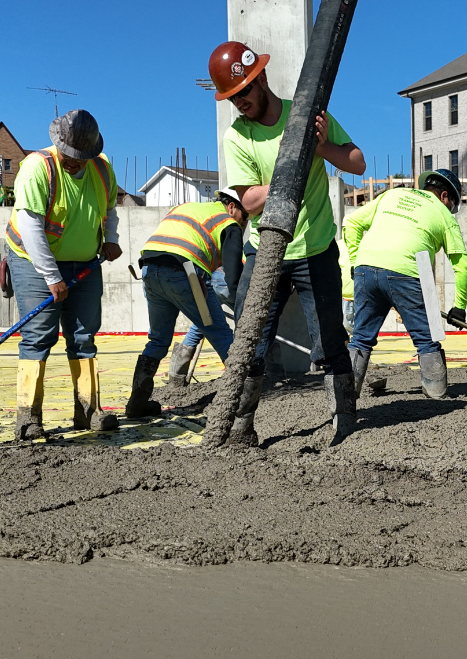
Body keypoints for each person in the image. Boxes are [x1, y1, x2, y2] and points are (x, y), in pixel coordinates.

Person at [208, 40, 366, 445]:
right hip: (265, 252)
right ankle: (241, 428)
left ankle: (345, 425)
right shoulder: (237, 137)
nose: (239, 102)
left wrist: (318, 147)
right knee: (251, 340)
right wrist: (289, 160)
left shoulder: (306, 114)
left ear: (260, 78)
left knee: (331, 339)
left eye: (243, 92)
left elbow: (358, 163)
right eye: (231, 97)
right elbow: (247, 201)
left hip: (314, 249)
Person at [5, 109, 122, 440]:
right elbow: (30, 227)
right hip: (33, 261)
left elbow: (110, 209)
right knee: (39, 336)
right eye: (68, 156)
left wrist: (110, 240)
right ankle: (28, 418)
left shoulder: (101, 168)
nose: (73, 162)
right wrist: (51, 276)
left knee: (84, 336)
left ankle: (87, 411)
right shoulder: (37, 168)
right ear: (58, 144)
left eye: (80, 158)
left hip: (84, 265)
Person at [344, 169, 467, 401]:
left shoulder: (391, 195)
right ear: (444, 196)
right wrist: (459, 305)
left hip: (365, 268)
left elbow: (351, 222)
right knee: (425, 339)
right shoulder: (443, 213)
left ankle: (345, 398)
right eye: (452, 204)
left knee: (360, 338)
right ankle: (436, 397)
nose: (451, 210)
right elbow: (461, 263)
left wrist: (354, 262)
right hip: (406, 273)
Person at [124, 190, 250, 418]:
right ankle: (241, 395)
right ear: (232, 206)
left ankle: (137, 403)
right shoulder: (227, 223)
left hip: (150, 271)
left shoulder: (189, 208)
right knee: (220, 333)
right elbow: (234, 277)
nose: (245, 224)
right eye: (246, 217)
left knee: (158, 339)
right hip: (187, 274)